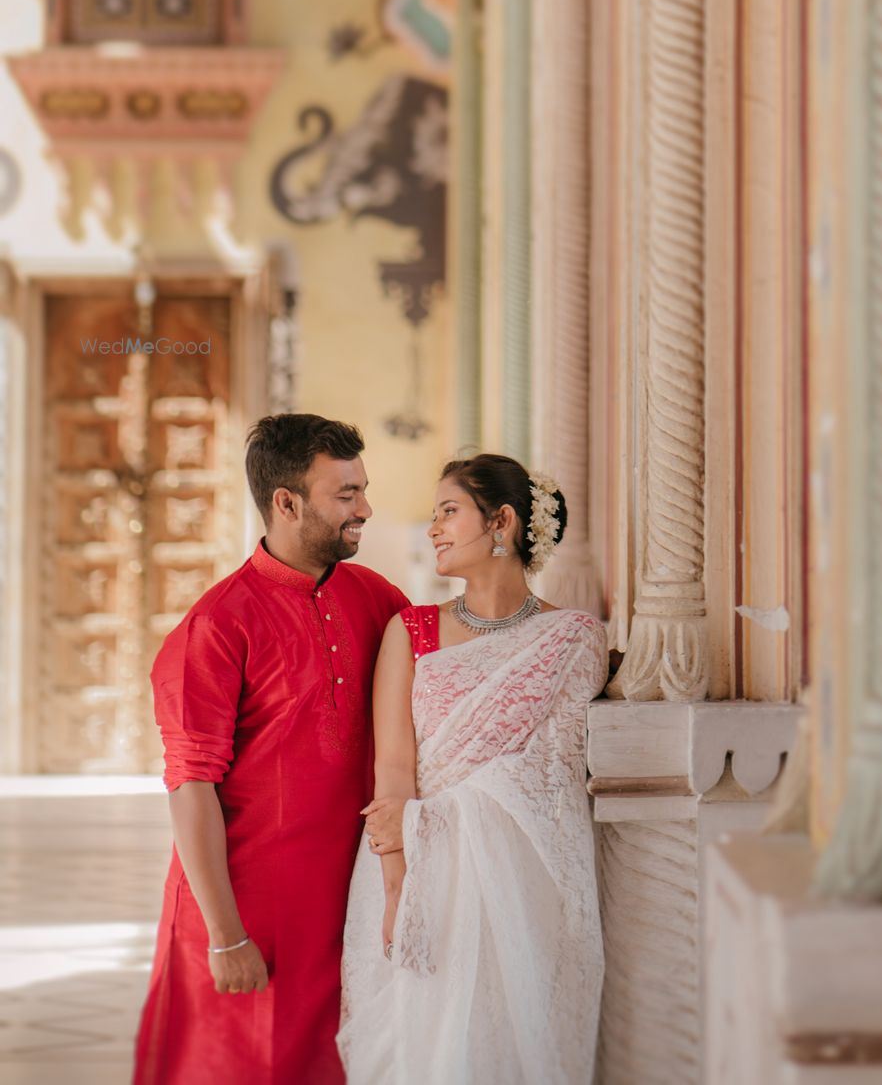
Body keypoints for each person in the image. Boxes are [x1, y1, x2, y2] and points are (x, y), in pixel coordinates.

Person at [133, 415, 409, 1085]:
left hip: (348, 902)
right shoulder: (216, 627)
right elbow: (190, 786)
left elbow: (452, 673)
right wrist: (226, 937)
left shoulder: (375, 599)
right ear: (287, 503)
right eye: (345, 494)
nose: (364, 509)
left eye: (362, 490)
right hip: (248, 912)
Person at [337, 453, 608, 1085]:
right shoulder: (413, 631)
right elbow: (395, 775)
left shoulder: (570, 639)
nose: (433, 527)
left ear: (502, 522)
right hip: (417, 871)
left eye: (449, 511)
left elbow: (552, 779)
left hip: (522, 880)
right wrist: (402, 893)